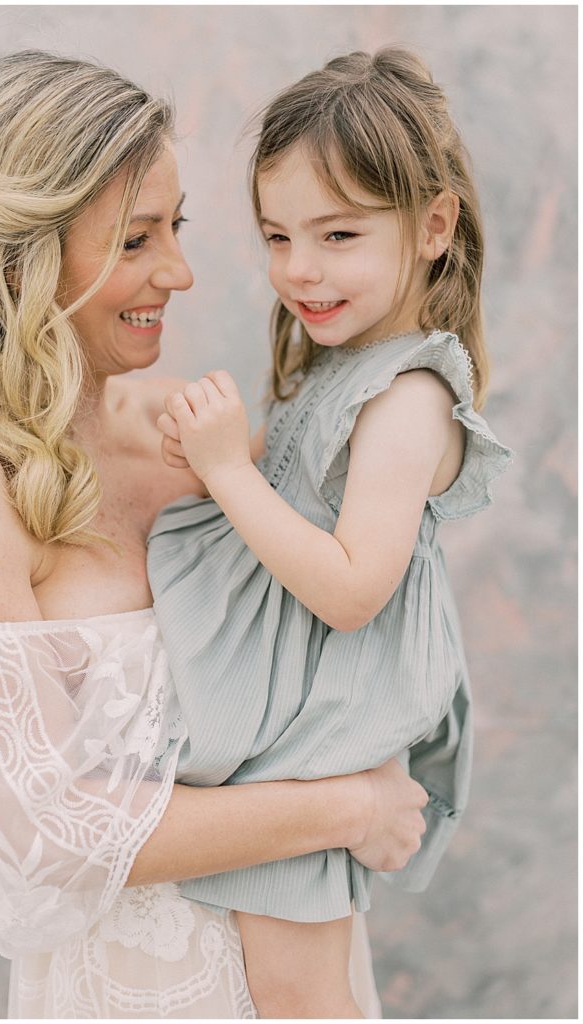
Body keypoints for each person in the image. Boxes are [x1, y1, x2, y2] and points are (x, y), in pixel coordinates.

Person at [0, 50, 430, 1018]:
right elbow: (41, 833)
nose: (179, 273)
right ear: (23, 253)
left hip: (302, 957)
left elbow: (337, 624)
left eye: (174, 227)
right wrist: (350, 807)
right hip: (140, 991)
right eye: (136, 239)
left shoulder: (191, 435)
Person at [149, 47, 513, 1019]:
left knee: (299, 997)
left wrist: (229, 470)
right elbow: (291, 490)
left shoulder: (408, 398)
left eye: (337, 234)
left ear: (433, 225)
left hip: (324, 737)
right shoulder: (342, 367)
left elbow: (354, 587)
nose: (298, 269)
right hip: (293, 726)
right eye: (276, 235)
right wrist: (217, 449)